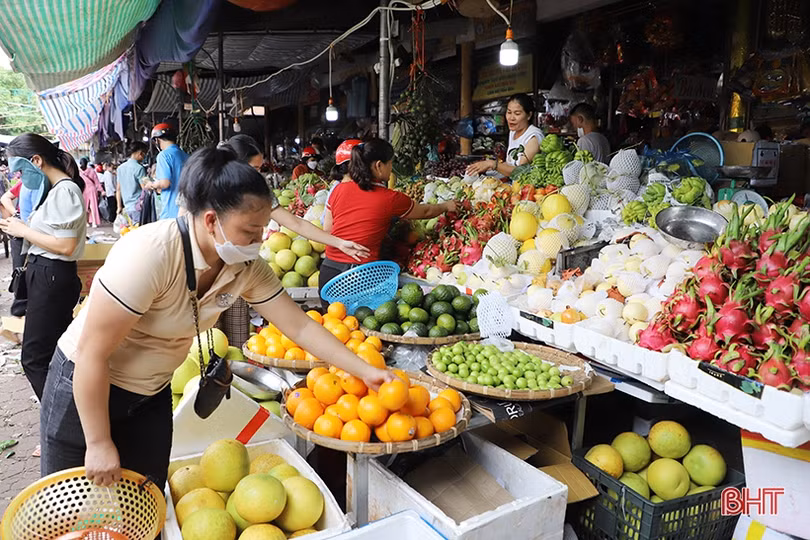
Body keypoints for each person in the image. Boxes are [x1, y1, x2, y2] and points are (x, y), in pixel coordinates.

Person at [39, 146, 393, 488]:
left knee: (146, 498)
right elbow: (93, 353)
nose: (258, 241)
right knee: (73, 507)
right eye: (250, 231)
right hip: (86, 388)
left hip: (152, 393)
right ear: (211, 220)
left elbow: (299, 326)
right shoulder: (149, 255)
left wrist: (366, 371)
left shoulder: (245, 266)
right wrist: (98, 441)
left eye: (262, 230)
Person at [217, 134, 369, 347]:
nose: (258, 175)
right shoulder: (211, 187)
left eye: (260, 169)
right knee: (208, 341)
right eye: (254, 169)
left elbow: (295, 223)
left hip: (241, 269)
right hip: (210, 273)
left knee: (237, 341)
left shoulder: (259, 190)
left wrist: (338, 242)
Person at [0, 134, 86, 400]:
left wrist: (23, 230)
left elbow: (66, 246)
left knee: (34, 358)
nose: (20, 179)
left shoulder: (64, 190)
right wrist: (21, 226)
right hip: (46, 274)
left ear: (36, 161)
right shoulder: (54, 191)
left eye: (20, 172)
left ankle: (59, 416)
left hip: (52, 275)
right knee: (54, 352)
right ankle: (68, 414)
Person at [320, 138, 456, 294]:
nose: (391, 169)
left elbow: (328, 229)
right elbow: (426, 212)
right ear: (378, 165)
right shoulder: (390, 198)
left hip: (328, 273)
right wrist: (446, 206)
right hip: (357, 278)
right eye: (390, 164)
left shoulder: (338, 189)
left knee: (332, 311)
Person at [466, 93, 544, 177]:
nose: (511, 118)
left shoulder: (533, 137)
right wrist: (488, 168)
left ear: (529, 115)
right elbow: (511, 164)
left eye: (517, 113)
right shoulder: (513, 132)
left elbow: (520, 172)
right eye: (509, 112)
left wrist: (492, 164)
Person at [145, 123, 188, 220]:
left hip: (171, 210)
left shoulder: (164, 155)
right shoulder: (185, 155)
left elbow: (165, 183)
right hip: (186, 209)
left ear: (157, 140)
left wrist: (151, 185)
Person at [115, 141, 148, 223]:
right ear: (140, 153)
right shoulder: (139, 168)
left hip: (126, 207)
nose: (144, 157)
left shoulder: (120, 168)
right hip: (138, 206)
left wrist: (119, 206)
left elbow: (118, 189)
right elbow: (145, 188)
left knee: (129, 229)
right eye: (145, 154)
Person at [80, 158, 102, 227]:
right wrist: (101, 190)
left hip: (83, 190)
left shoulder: (79, 172)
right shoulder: (92, 171)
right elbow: (97, 182)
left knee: (85, 206)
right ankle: (94, 222)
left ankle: (86, 222)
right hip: (92, 189)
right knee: (93, 206)